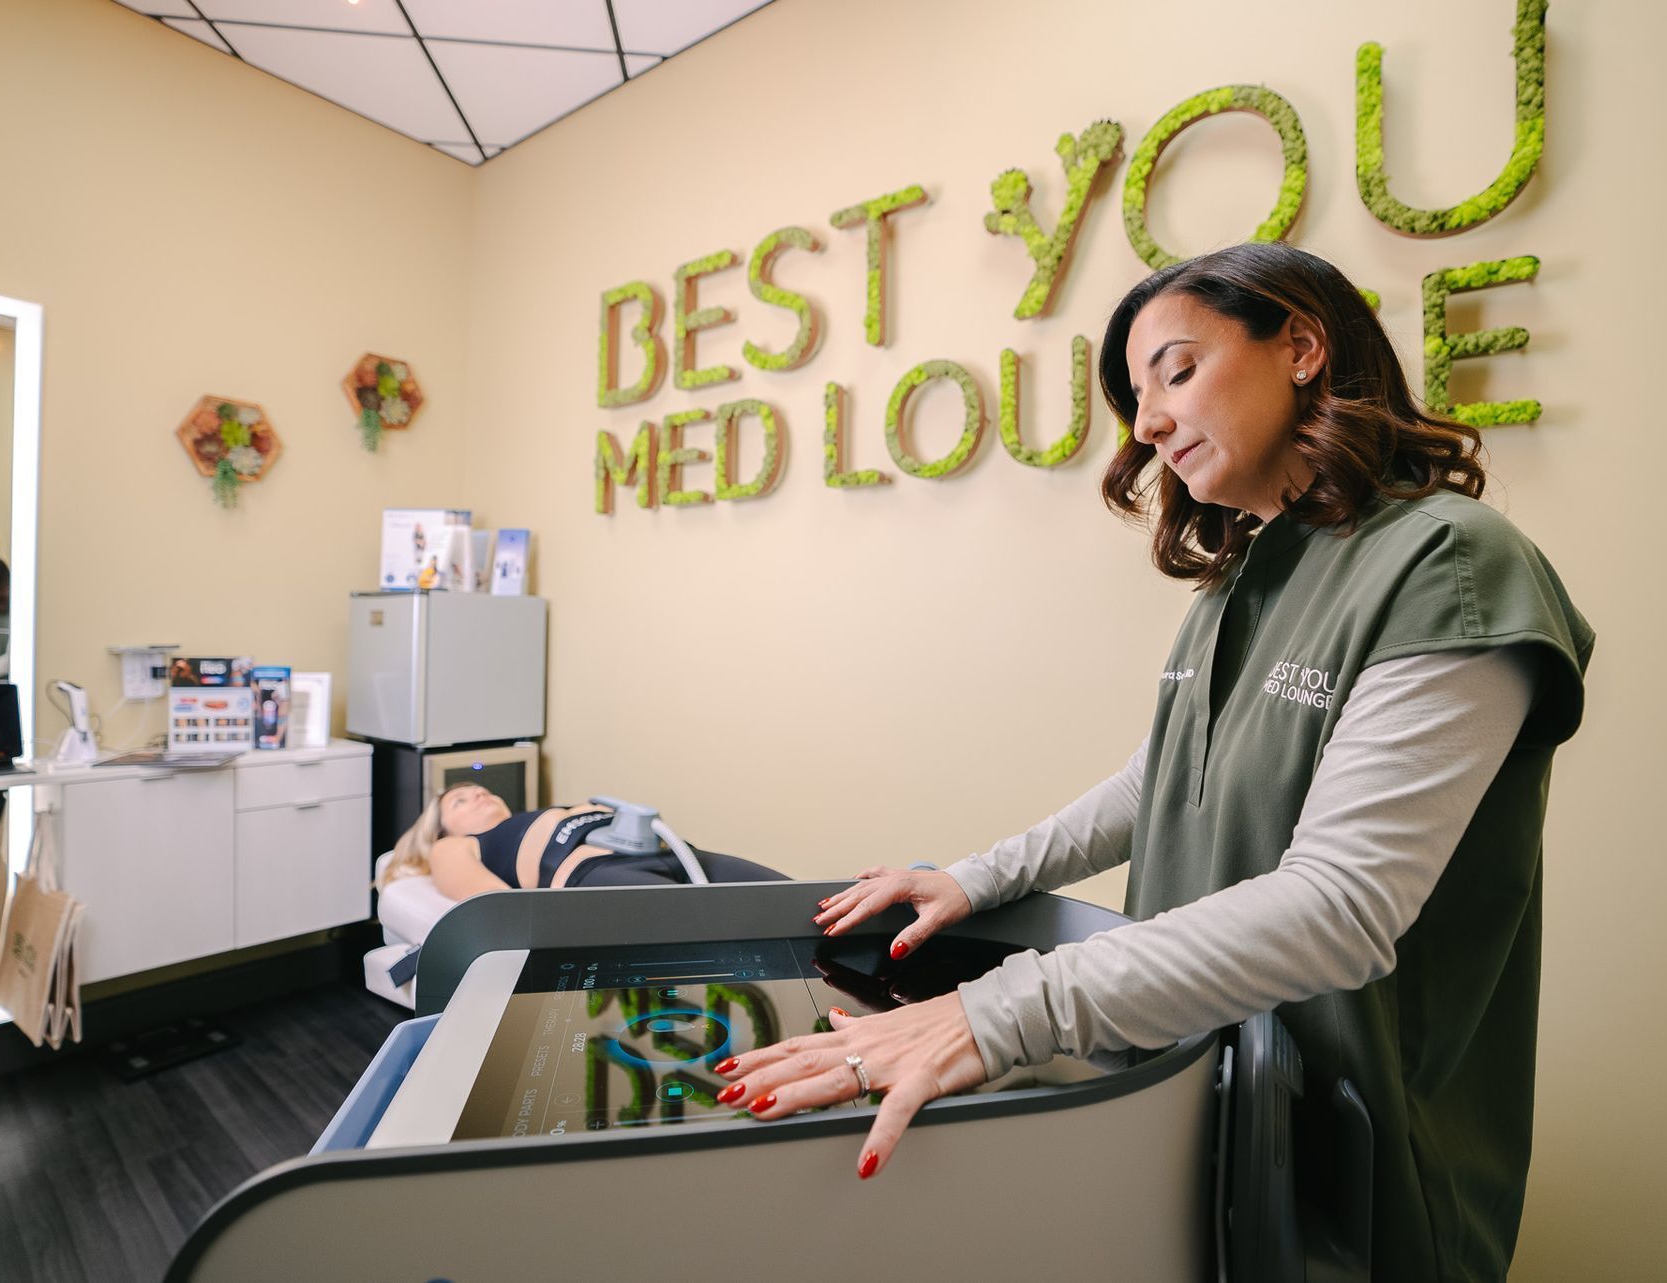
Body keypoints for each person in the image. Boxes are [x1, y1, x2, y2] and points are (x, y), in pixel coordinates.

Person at [710, 243, 1592, 1282]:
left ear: (1302, 346)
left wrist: (995, 1013)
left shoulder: (1448, 560)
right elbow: (1168, 771)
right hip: (1201, 1090)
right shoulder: (1241, 575)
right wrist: (976, 877)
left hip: (1360, 1148)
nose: (1151, 422)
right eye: (1139, 395)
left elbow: (1344, 902)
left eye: (1176, 370)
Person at [379, 784, 783, 898]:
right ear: (443, 828)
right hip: (592, 876)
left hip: (678, 853)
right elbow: (494, 908)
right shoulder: (456, 846)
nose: (479, 795)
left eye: (481, 790)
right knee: (710, 929)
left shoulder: (537, 815)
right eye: (460, 800)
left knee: (807, 906)